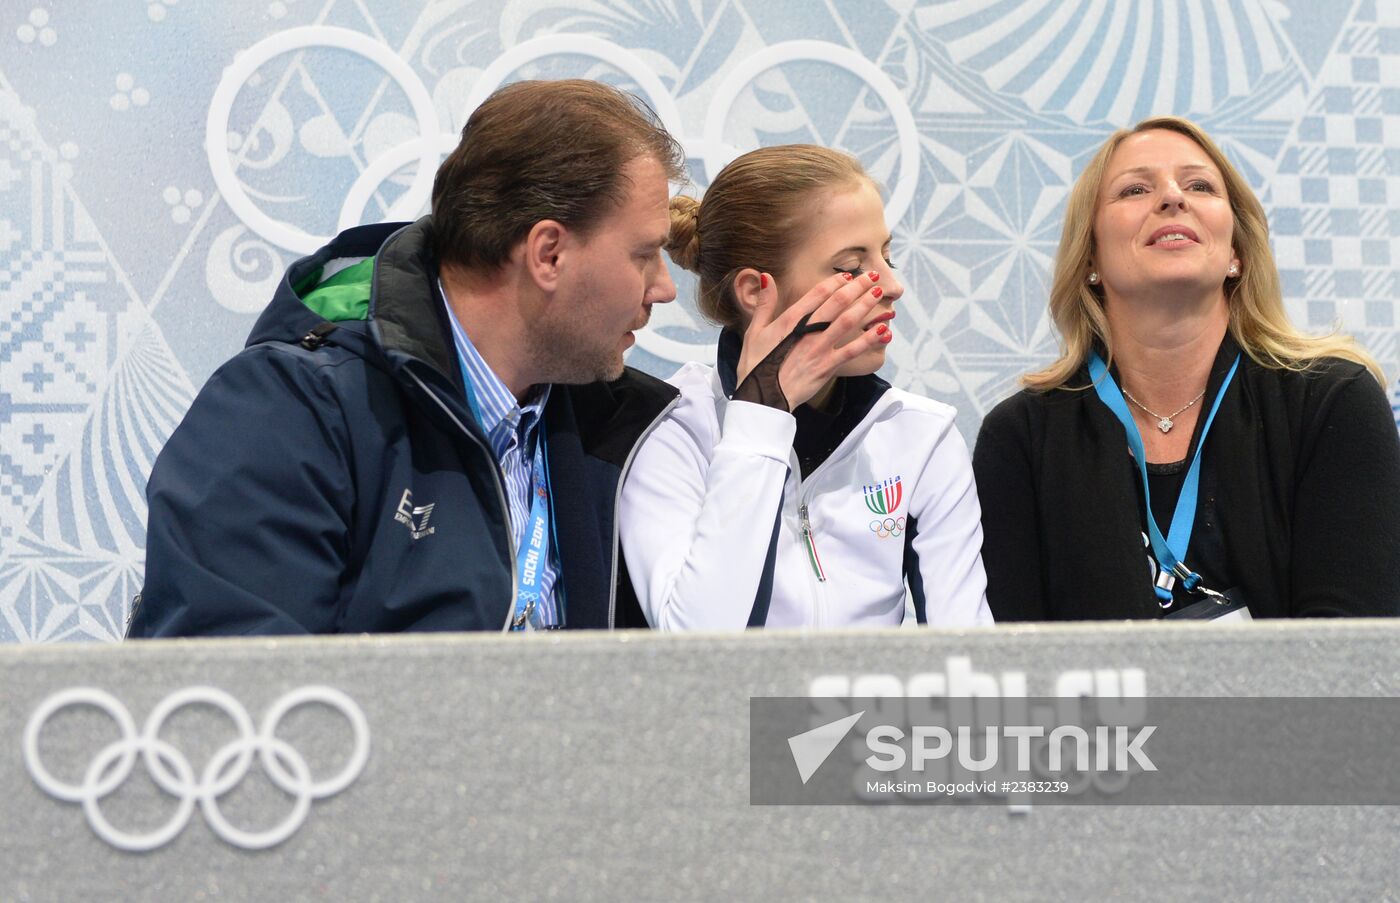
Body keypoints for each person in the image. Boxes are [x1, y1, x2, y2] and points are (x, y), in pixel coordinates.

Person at [127, 79, 686, 636]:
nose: (663, 289)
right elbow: (232, 680)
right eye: (644, 255)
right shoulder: (287, 413)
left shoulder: (622, 433)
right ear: (549, 254)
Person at [973, 116, 1400, 621]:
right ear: (1090, 259)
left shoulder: (1332, 400)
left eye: (1200, 186)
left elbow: (1351, 650)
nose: (1173, 198)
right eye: (1135, 190)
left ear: (1236, 252)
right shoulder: (1022, 436)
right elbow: (1016, 658)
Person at [618, 145, 992, 630]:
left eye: (887, 255)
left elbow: (967, 655)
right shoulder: (670, 428)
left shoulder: (923, 434)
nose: (891, 285)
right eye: (851, 266)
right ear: (755, 291)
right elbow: (699, 642)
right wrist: (760, 417)